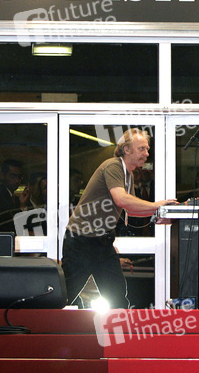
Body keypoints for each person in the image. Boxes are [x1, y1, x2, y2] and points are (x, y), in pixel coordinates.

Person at [62, 128, 176, 308]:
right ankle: (40, 322)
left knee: (117, 297)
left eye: (147, 149)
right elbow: (121, 199)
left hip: (102, 241)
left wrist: (158, 214)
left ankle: (118, 325)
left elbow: (131, 209)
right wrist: (157, 206)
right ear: (126, 149)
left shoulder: (127, 174)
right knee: (67, 294)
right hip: (81, 240)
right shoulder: (113, 166)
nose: (147, 154)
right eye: (142, 149)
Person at [0, 159, 27, 233]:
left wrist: (22, 205)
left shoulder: (16, 199)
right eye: (13, 177)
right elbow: (4, 225)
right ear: (2, 176)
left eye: (19, 177)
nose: (17, 180)